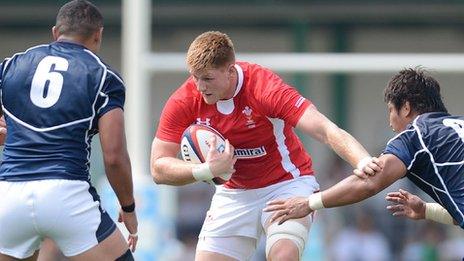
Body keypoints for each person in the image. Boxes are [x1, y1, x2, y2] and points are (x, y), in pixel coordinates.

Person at [151, 31, 380, 261]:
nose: (200, 87)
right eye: (194, 77)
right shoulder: (185, 99)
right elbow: (158, 167)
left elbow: (325, 129)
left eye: (207, 78)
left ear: (230, 70)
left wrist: (362, 160)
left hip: (286, 185)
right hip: (233, 193)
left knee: (283, 257)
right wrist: (207, 170)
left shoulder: (264, 88)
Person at [0, 1, 138, 260]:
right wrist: (128, 208)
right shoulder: (103, 76)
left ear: (55, 32)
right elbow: (114, 156)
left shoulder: (11, 65)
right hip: (67, 195)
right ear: (98, 35)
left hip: (9, 195)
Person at [265, 68, 464, 231]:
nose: (390, 122)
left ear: (405, 108)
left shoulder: (417, 135)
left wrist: (309, 203)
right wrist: (426, 210)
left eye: (390, 111)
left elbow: (371, 182)